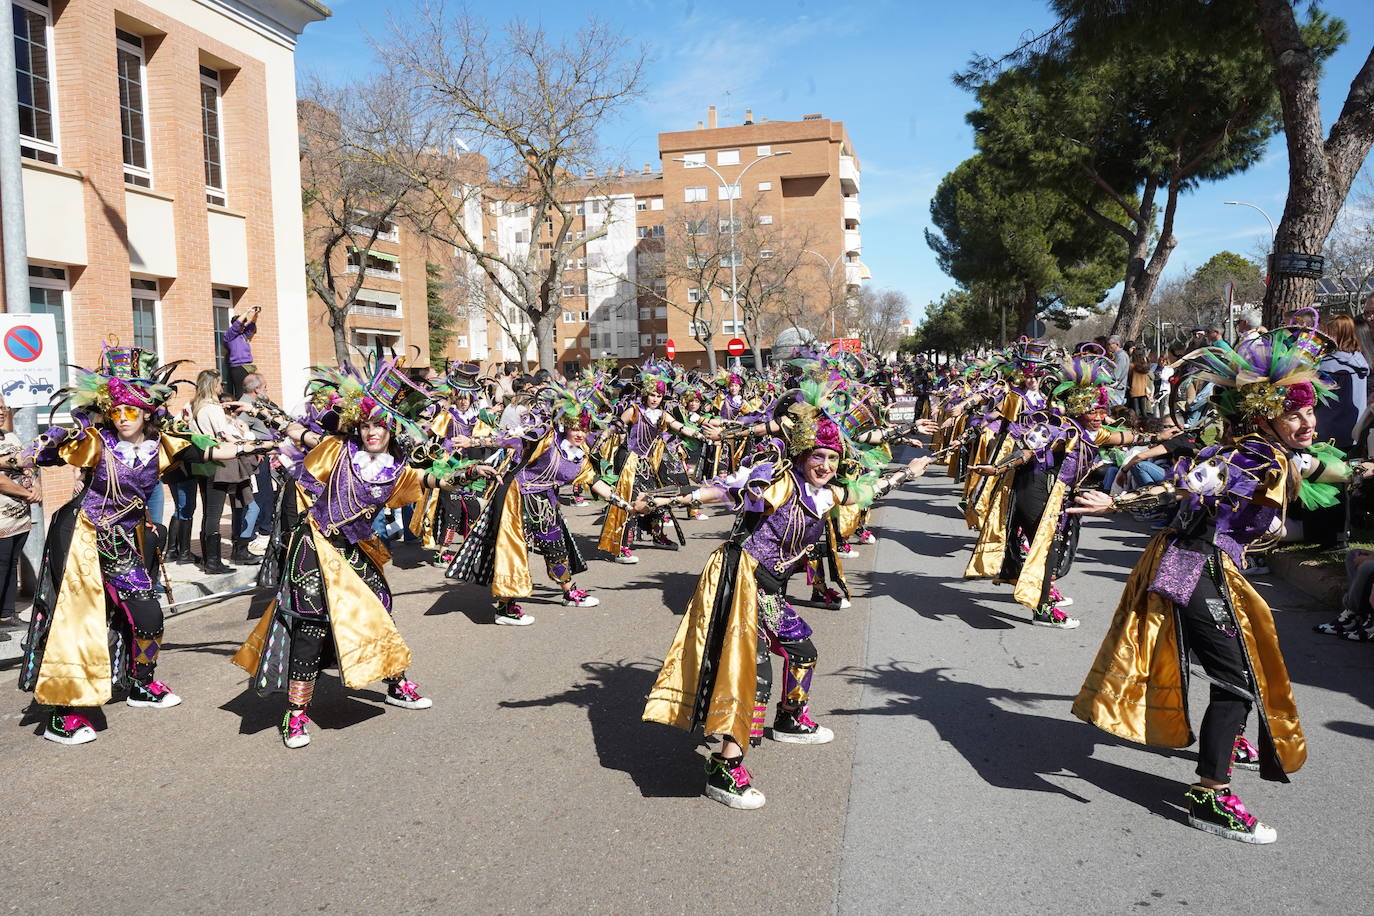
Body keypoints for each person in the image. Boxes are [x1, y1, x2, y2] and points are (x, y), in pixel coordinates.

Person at [1070, 315, 1364, 844]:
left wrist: (1367, 469)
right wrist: (1118, 501)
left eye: (1309, 412)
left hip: (1204, 561)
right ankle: (1210, 795)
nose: (1309, 424)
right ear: (1266, 415)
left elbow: (1335, 469)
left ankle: (1223, 742)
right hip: (1194, 562)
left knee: (1233, 663)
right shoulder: (1251, 455)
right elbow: (1184, 487)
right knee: (1237, 679)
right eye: (1295, 414)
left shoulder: (1271, 450)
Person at [643, 391, 931, 809]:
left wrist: (909, 472)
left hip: (770, 589)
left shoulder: (827, 494)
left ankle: (790, 719)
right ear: (801, 456)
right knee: (750, 677)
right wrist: (665, 499)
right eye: (818, 457)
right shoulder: (778, 483)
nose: (826, 467)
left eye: (832, 460)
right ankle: (724, 769)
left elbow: (866, 491)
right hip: (741, 582)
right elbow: (725, 490)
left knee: (802, 651)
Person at [232, 361, 497, 748]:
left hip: (353, 549)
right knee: (310, 625)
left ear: (391, 431)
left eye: (380, 426)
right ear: (358, 427)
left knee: (379, 608)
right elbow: (296, 431)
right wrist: (259, 408)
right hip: (314, 545)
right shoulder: (337, 451)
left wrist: (467, 473)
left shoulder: (396, 469)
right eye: (366, 425)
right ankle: (295, 714)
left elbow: (431, 479)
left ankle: (395, 682)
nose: (372, 432)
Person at [12, 345, 268, 745]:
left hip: (121, 541)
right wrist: (56, 437)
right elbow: (47, 456)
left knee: (148, 615)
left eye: (133, 410)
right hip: (80, 535)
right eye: (117, 410)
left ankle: (140, 684)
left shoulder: (162, 444)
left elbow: (212, 450)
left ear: (149, 412)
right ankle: (62, 712)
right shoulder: (96, 441)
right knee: (78, 621)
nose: (124, 417)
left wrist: (268, 447)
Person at [447, 388, 636, 625]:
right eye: (575, 427)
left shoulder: (580, 456)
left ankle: (570, 593)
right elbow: (511, 440)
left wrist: (624, 505)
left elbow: (594, 481)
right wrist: (472, 441)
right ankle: (505, 608)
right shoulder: (546, 437)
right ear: (565, 425)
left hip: (543, 502)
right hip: (515, 496)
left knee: (555, 546)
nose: (579, 433)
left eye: (584, 428)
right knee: (513, 551)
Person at [188, 370, 258, 571]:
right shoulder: (212, 408)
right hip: (217, 461)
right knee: (214, 513)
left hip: (201, 461)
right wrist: (247, 436)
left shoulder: (194, 406)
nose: (221, 388)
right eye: (219, 384)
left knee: (207, 512)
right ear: (212, 386)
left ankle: (207, 558)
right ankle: (213, 562)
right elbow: (226, 435)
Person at [0, 397, 38, 631]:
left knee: (11, 564)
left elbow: (29, 461)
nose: (1, 412)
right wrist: (27, 493)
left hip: (19, 518)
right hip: (1, 519)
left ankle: (7, 615)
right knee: (0, 566)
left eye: (2, 407)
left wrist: (36, 485)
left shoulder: (11, 436)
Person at [222, 305, 260, 397]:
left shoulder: (243, 335)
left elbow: (252, 325)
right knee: (241, 392)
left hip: (249, 366)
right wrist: (247, 311)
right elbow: (237, 324)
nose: (243, 326)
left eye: (244, 325)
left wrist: (256, 314)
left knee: (253, 389)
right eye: (242, 324)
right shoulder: (229, 335)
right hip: (238, 367)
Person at [1127, 351, 1152, 417]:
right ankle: (1146, 423)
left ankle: (1137, 424)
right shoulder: (1145, 367)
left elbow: (1129, 377)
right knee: (1144, 410)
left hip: (1134, 390)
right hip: (1143, 390)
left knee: (1136, 410)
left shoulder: (1131, 366)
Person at [1106, 335, 1129, 406]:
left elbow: (1115, 376)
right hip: (1114, 392)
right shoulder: (1116, 355)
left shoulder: (1121, 356)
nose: (1108, 346)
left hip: (1116, 393)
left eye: (1110, 344)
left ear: (1117, 344)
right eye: (1107, 344)